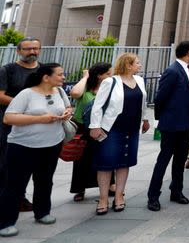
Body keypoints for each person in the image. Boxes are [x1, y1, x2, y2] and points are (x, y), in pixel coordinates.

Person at [0, 63, 72, 237]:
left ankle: (42, 212)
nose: (63, 77)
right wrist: (40, 119)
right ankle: (6, 221)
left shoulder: (60, 92)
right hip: (23, 146)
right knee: (15, 184)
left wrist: (67, 113)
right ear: (46, 77)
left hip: (52, 144)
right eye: (60, 74)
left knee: (45, 180)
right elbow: (8, 118)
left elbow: (68, 107)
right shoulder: (27, 94)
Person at [89, 53, 151, 215]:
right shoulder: (110, 82)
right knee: (106, 163)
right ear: (128, 65)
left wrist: (145, 119)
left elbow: (143, 103)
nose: (140, 65)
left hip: (132, 128)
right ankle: (103, 198)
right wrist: (95, 126)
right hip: (112, 128)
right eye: (137, 63)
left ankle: (119, 196)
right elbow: (97, 105)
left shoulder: (140, 80)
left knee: (125, 162)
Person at [147, 41, 189, 212]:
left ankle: (176, 191)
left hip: (185, 123)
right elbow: (160, 97)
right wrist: (161, 119)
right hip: (171, 124)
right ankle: (153, 196)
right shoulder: (173, 71)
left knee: (180, 159)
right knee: (164, 159)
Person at [0, 37, 41, 212]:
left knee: (27, 164)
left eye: (35, 48)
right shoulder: (7, 70)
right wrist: (24, 106)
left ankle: (20, 197)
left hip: (34, 126)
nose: (32, 52)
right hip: (9, 124)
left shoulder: (43, 71)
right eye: (27, 49)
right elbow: (0, 96)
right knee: (6, 163)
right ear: (18, 51)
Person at [69, 62, 113, 202]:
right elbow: (75, 93)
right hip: (84, 128)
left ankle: (110, 185)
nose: (110, 76)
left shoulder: (110, 88)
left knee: (105, 157)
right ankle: (79, 188)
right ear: (99, 76)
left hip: (103, 128)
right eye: (107, 74)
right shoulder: (86, 87)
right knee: (82, 159)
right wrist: (86, 77)